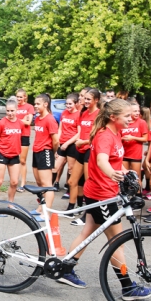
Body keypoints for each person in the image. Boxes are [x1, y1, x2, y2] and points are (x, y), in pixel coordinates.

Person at [57, 98, 151, 299]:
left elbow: (114, 160)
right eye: (127, 116)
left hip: (106, 192)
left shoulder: (115, 133)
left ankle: (66, 269)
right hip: (101, 194)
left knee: (87, 231)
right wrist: (112, 174)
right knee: (116, 241)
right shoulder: (105, 137)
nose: (132, 118)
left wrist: (127, 172)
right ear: (113, 117)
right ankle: (127, 287)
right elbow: (103, 161)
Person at [68, 88, 101, 226]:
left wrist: (84, 142)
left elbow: (98, 136)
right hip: (80, 149)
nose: (85, 101)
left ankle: (87, 215)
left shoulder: (99, 115)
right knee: (72, 181)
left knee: (89, 184)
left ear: (96, 100)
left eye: (89, 99)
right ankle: (73, 208)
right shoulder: (84, 113)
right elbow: (81, 131)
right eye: (85, 98)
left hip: (90, 150)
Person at [0, 99, 24, 208]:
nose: (10, 113)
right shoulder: (1, 123)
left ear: (17, 110)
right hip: (1, 154)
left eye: (12, 111)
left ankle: (10, 203)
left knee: (14, 182)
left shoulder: (20, 123)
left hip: (14, 155)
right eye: (8, 111)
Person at [31, 93, 59, 212]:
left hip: (45, 152)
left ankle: (47, 212)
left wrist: (53, 152)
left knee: (47, 184)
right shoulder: (37, 118)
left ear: (46, 104)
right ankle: (40, 208)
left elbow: (56, 140)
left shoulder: (50, 119)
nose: (35, 106)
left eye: (38, 104)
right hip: (36, 152)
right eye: (35, 103)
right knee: (39, 182)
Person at [54, 93, 80, 208]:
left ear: (76, 103)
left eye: (70, 104)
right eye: (66, 104)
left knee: (71, 169)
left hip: (71, 144)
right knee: (55, 167)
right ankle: (48, 189)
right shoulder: (63, 113)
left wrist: (68, 143)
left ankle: (70, 190)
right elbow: (60, 128)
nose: (68, 106)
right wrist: (59, 142)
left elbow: (79, 133)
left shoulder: (79, 115)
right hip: (62, 144)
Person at [121, 100, 148, 191]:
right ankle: (127, 198)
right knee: (125, 177)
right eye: (135, 111)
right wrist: (122, 139)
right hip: (124, 154)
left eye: (138, 111)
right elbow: (118, 137)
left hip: (135, 155)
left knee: (136, 177)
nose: (137, 113)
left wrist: (133, 138)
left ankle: (138, 197)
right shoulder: (124, 122)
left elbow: (145, 138)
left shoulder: (141, 122)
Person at [14, 89, 34, 192]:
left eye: (21, 97)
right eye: (17, 97)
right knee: (14, 160)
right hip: (14, 135)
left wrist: (17, 119)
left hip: (24, 135)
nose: (19, 99)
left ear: (25, 97)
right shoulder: (15, 106)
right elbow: (10, 119)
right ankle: (15, 182)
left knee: (22, 161)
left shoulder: (29, 107)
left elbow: (29, 122)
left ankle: (23, 184)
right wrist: (23, 120)